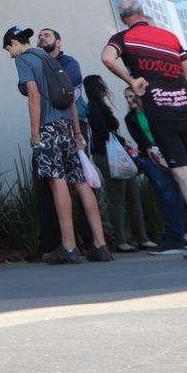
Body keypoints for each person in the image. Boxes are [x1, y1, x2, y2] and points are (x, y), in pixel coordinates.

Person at [100, 1, 187, 258]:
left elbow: (107, 57)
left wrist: (131, 80)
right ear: (143, 13)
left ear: (123, 18)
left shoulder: (123, 38)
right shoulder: (169, 37)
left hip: (161, 110)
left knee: (182, 174)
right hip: (184, 112)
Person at [5, 26, 82, 264]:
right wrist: (77, 130)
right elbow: (71, 94)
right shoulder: (49, 58)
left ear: (13, 43)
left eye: (9, 48)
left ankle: (68, 246)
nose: (10, 53)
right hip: (66, 124)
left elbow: (34, 95)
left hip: (48, 126)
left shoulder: (25, 59)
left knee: (56, 181)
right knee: (74, 181)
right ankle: (80, 243)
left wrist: (34, 131)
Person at [37, 28, 111, 261]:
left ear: (59, 41)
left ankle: (93, 244)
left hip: (73, 127)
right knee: (58, 184)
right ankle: (71, 244)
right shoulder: (40, 63)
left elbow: (63, 90)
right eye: (39, 36)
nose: (41, 38)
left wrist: (78, 131)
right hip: (55, 127)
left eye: (47, 35)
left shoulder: (68, 63)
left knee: (78, 181)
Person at [83, 74, 148, 251]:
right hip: (107, 154)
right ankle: (122, 240)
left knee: (133, 195)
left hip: (114, 153)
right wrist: (121, 140)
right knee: (118, 198)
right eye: (101, 84)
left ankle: (141, 237)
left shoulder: (100, 106)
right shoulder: (95, 107)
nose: (105, 87)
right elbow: (102, 131)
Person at [124, 85, 187, 254]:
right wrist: (151, 149)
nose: (130, 100)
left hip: (166, 153)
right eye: (127, 97)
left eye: (132, 96)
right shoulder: (130, 118)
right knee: (165, 194)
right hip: (149, 157)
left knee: (176, 193)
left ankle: (182, 233)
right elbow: (139, 138)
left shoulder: (152, 112)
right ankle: (174, 234)